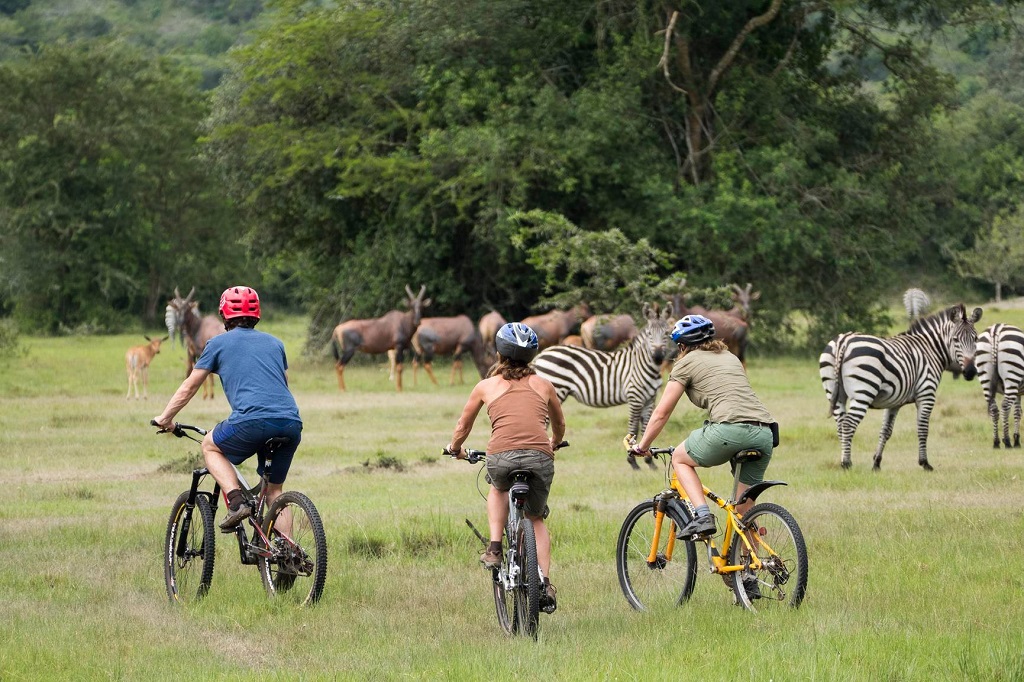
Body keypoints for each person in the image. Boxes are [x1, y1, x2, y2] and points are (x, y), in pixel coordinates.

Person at [153, 286, 302, 531]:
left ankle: (235, 502)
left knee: (210, 445)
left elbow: (190, 386)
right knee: (275, 492)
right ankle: (287, 555)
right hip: (290, 422)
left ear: (224, 316)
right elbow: (283, 384)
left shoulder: (217, 343)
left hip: (251, 421)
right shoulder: (276, 344)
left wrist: (166, 417)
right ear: (257, 315)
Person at [445, 322, 566, 612]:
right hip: (540, 457)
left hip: (501, 457)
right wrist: (554, 442)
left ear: (499, 353)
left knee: (498, 488)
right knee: (536, 519)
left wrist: (455, 448)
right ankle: (545, 582)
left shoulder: (485, 386)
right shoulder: (543, 384)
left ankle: (496, 547)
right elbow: (559, 424)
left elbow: (464, 425)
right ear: (532, 355)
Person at [630, 314, 776, 542]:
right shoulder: (730, 357)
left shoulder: (685, 362)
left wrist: (642, 446)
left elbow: (661, 412)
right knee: (743, 510)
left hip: (729, 429)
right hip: (765, 433)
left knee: (679, 458)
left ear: (681, 345)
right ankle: (749, 573)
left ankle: (703, 516)